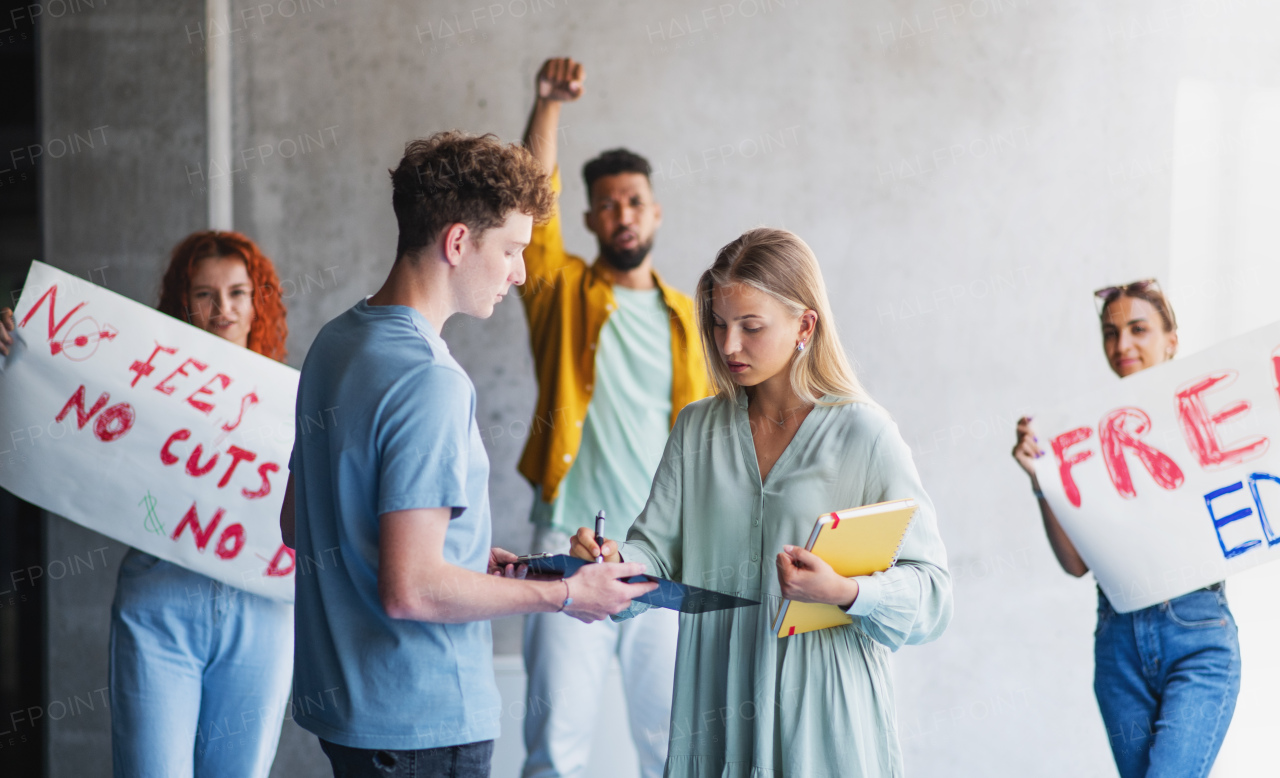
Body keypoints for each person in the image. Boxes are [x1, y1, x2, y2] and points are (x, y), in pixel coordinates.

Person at [280, 130, 657, 778]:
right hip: (424, 724)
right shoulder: (432, 380)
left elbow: (300, 522)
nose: (521, 272)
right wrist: (567, 594)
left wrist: (465, 560)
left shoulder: (334, 344)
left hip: (350, 719)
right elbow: (412, 589)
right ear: (458, 242)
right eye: (512, 248)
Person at [571, 228, 952, 777]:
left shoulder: (865, 434)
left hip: (824, 715)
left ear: (805, 324)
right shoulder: (695, 429)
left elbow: (933, 596)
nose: (728, 346)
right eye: (719, 325)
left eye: (751, 327)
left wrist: (847, 592)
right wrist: (611, 561)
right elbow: (654, 555)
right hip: (714, 699)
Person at [0, 231, 294, 777]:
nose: (222, 309)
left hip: (264, 609)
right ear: (183, 303)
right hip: (160, 603)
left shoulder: (293, 403)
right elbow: (61, 411)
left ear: (259, 302)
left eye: (236, 292)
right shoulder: (139, 384)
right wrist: (18, 355)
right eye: (205, 294)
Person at [516, 57, 710, 778]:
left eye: (634, 201)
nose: (622, 214)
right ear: (592, 216)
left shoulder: (690, 320)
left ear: (654, 212)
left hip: (662, 558)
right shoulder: (560, 293)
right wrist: (547, 107)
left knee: (672, 750)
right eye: (607, 204)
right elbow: (533, 213)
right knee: (555, 750)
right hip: (569, 544)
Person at [1012, 279, 1240, 778]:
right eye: (1111, 333)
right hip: (1119, 645)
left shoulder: (1204, 416)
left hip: (1198, 636)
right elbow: (1075, 564)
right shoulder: (1084, 436)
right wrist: (1041, 482)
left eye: (1139, 329)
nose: (1123, 345)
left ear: (1171, 339)